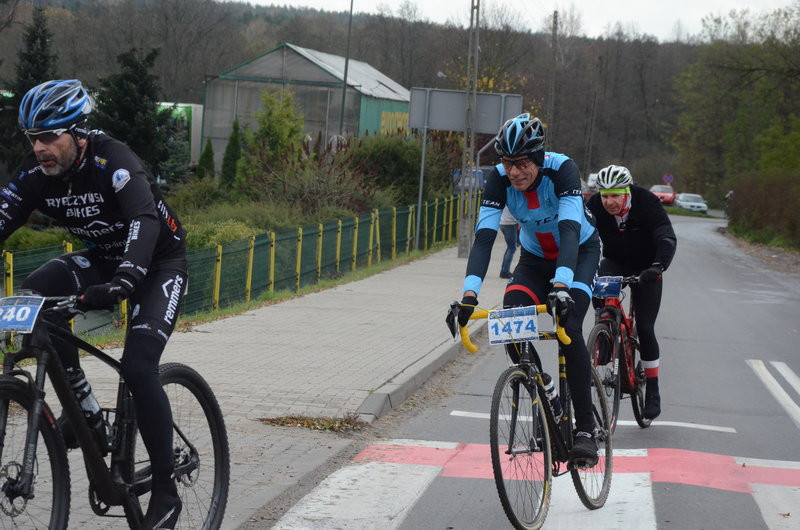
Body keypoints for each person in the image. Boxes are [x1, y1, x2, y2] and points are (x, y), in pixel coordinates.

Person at [4, 79, 186, 529]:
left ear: (78, 133)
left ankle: (166, 491)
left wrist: (127, 278)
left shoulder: (114, 160)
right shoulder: (35, 173)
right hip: (104, 259)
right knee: (35, 295)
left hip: (157, 263)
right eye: (32, 138)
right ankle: (86, 411)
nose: (40, 148)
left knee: (139, 368)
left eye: (49, 137)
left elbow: (144, 219)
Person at [447, 113, 602, 466]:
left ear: (538, 158)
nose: (514, 172)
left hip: (579, 252)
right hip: (534, 259)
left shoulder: (562, 170)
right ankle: (547, 395)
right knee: (511, 320)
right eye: (507, 163)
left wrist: (561, 286)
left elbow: (569, 230)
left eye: (521, 163)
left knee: (570, 327)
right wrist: (469, 296)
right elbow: (484, 238)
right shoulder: (499, 179)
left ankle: (585, 430)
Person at [586, 164, 677, 420]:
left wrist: (658, 266)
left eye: (615, 195)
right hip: (616, 262)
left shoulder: (646, 202)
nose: (609, 202)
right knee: (601, 296)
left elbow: (666, 236)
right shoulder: (594, 206)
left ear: (627, 192)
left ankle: (653, 390)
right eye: (605, 195)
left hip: (648, 266)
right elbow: (580, 235)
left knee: (645, 327)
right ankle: (605, 334)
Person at [498, 206, 519, 278]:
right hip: (510, 224)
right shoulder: (511, 201)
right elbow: (515, 213)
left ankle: (504, 270)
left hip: (503, 223)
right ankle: (504, 271)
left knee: (510, 247)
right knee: (512, 248)